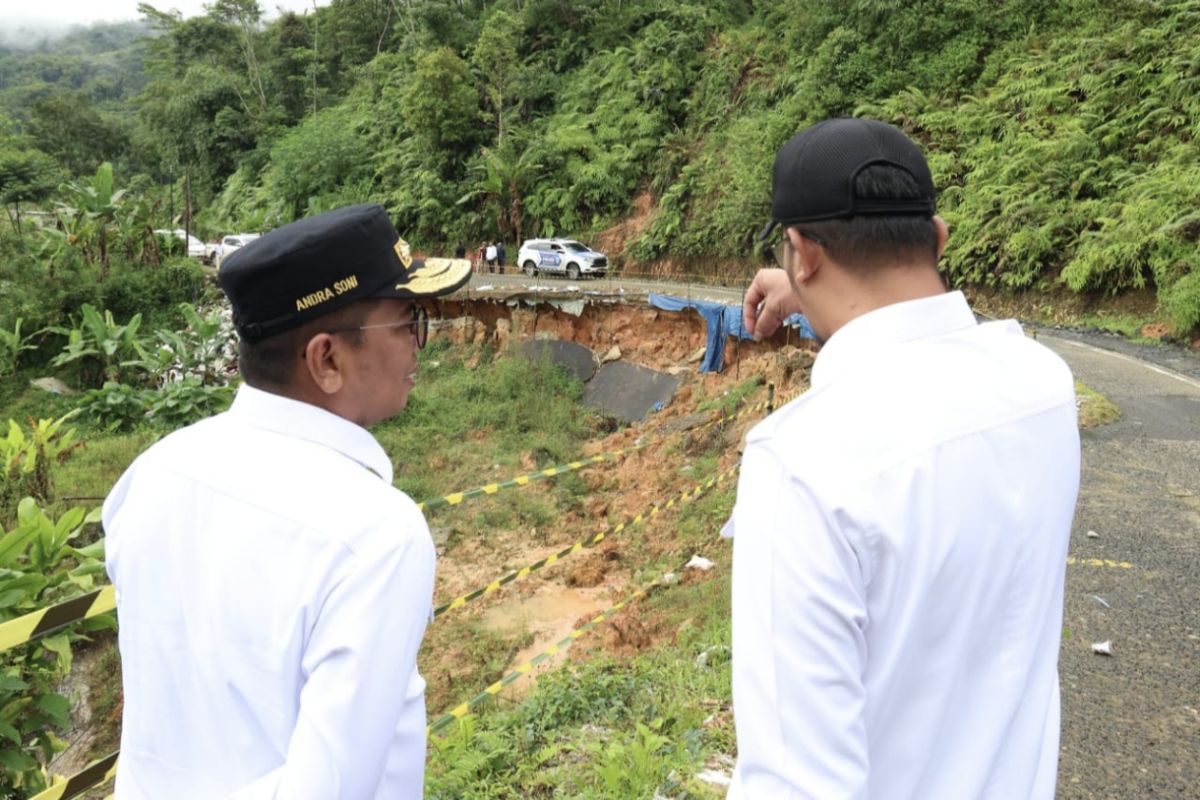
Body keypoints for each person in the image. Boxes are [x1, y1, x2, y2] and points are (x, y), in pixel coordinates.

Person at [726, 118, 1081, 799]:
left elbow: (797, 783)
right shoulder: (1045, 387)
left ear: (802, 252)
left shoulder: (800, 464)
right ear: (939, 238)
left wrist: (816, 288)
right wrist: (815, 289)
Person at [103, 204, 471, 799]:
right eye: (409, 321)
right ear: (327, 359)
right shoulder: (375, 535)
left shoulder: (153, 472)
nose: (417, 345)